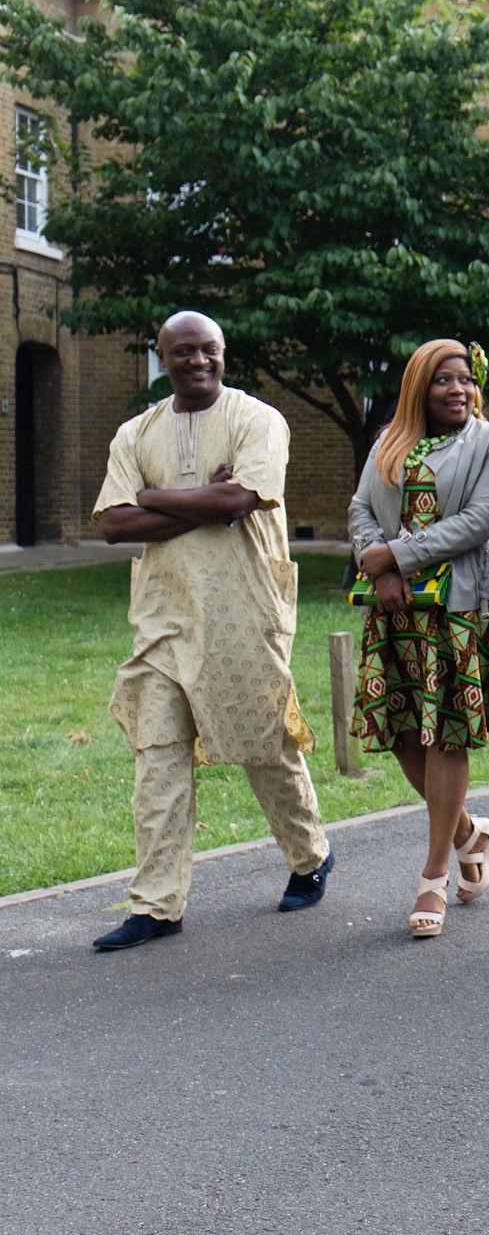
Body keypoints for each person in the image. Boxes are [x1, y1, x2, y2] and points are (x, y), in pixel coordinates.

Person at [90, 311, 333, 950]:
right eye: (184, 352)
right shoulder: (136, 432)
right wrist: (199, 502)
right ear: (162, 358)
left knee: (263, 744)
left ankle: (310, 855)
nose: (198, 361)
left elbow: (238, 501)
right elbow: (113, 524)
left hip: (244, 608)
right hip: (161, 616)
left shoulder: (259, 420)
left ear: (224, 353)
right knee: (157, 757)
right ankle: (156, 905)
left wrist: (152, 497)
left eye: (210, 350)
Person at [349, 339, 489, 938]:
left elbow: (478, 521)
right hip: (396, 610)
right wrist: (377, 566)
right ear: (418, 388)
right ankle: (470, 834)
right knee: (404, 733)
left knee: (446, 734)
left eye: (465, 380)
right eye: (443, 380)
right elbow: (360, 509)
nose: (458, 390)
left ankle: (434, 875)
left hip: (461, 610)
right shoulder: (388, 441)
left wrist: (395, 557)